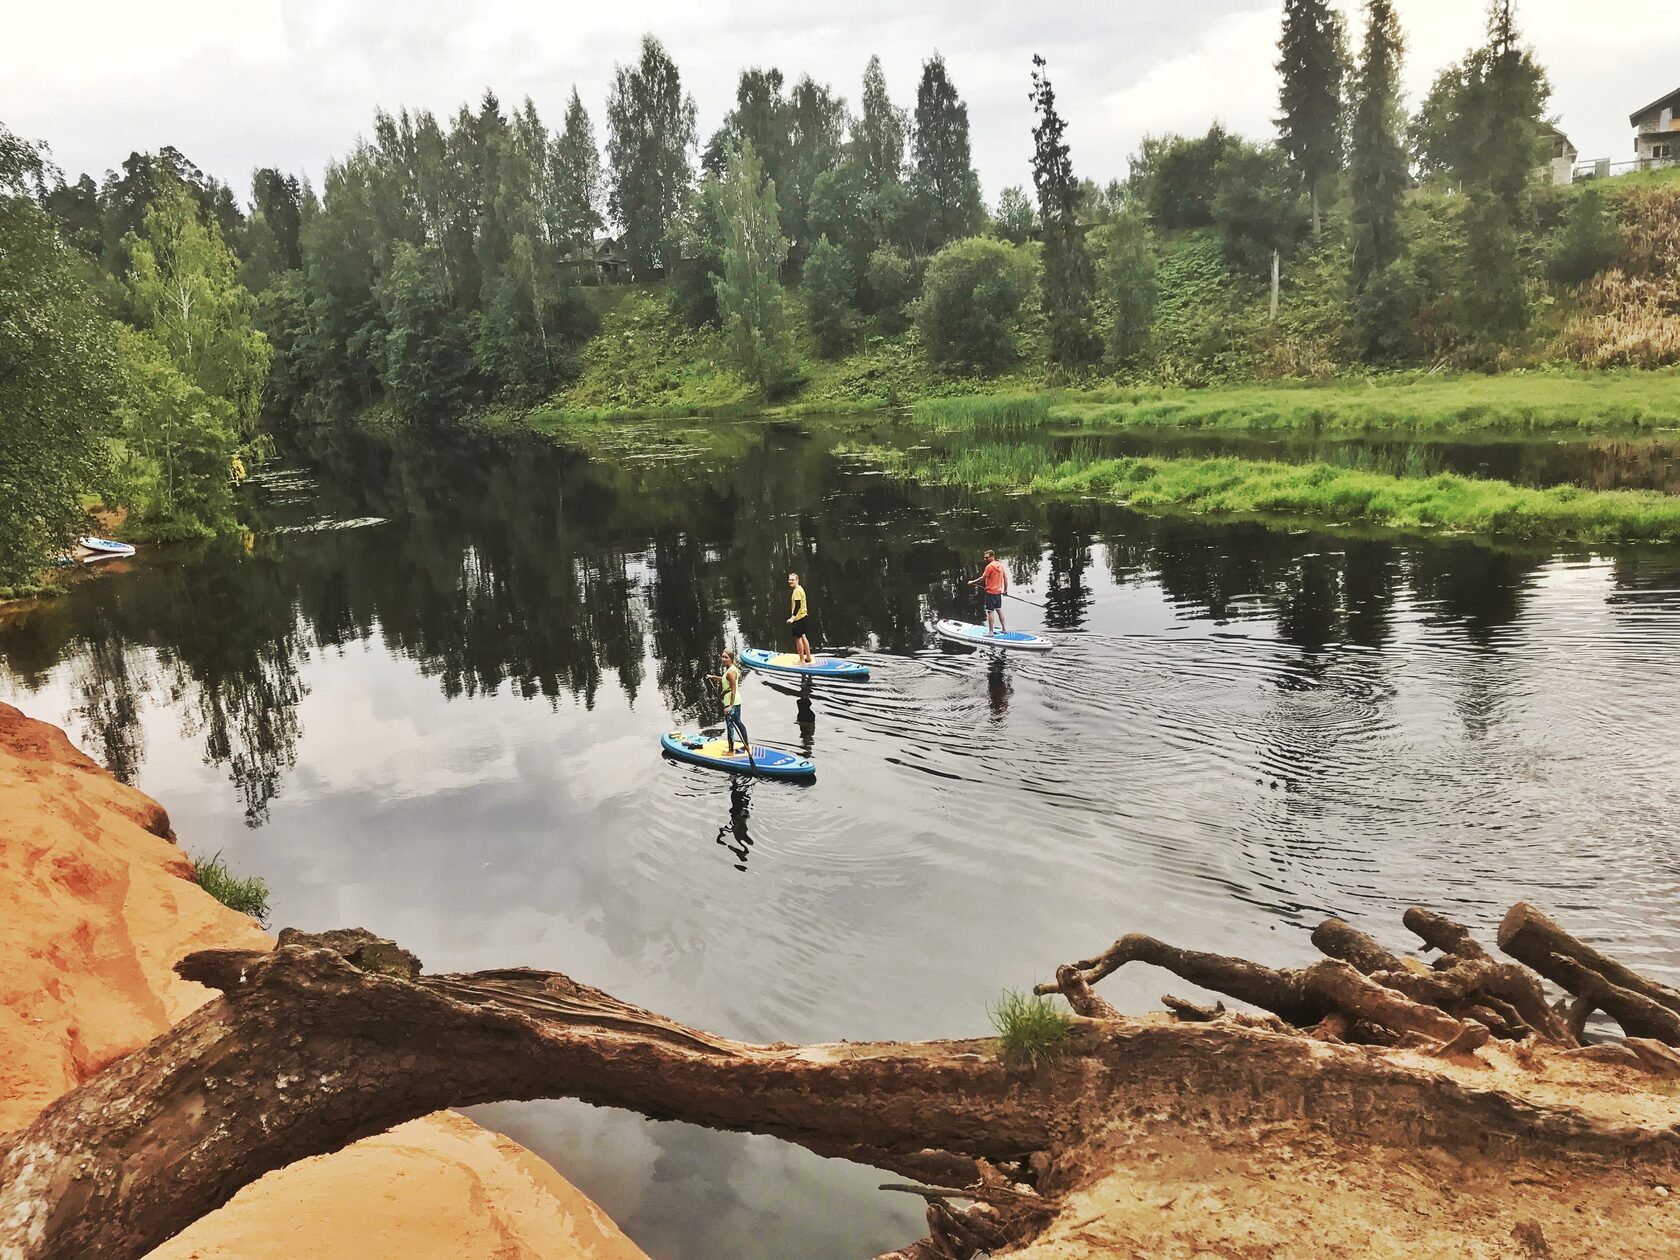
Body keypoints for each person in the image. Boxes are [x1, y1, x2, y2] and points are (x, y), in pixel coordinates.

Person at [705, 649, 750, 757]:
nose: (723, 659)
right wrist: (713, 677)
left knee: (730, 726)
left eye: (726, 657)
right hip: (736, 701)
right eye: (722, 657)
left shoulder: (730, 672)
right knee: (738, 723)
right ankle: (746, 745)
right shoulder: (731, 669)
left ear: (731, 659)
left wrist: (730, 706)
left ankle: (730, 751)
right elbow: (724, 680)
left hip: (731, 702)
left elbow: (734, 689)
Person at [967, 549, 1008, 635]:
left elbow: (982, 578)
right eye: (984, 558)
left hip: (991, 593)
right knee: (999, 610)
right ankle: (1004, 629)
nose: (985, 559)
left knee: (990, 612)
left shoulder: (989, 567)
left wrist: (972, 582)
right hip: (998, 593)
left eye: (987, 558)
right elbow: (1005, 578)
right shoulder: (1000, 565)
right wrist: (1005, 590)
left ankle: (990, 632)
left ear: (992, 557)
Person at [787, 572, 813, 664]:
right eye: (789, 579)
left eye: (792, 580)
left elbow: (798, 605)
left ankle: (802, 660)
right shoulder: (800, 588)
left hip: (798, 619)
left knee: (798, 639)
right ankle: (808, 657)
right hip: (804, 616)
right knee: (803, 636)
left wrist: (792, 618)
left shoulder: (797, 591)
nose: (790, 581)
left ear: (797, 580)